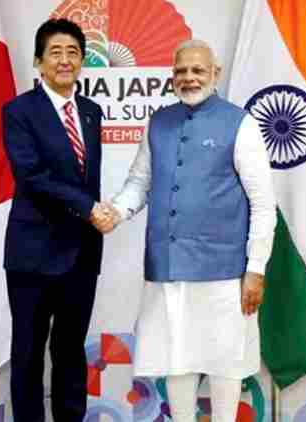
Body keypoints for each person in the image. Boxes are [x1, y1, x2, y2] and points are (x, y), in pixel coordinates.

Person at [98, 39, 276, 422]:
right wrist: (116, 211)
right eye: (181, 71)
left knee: (226, 361)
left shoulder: (240, 123)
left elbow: (263, 203)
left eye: (198, 70)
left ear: (215, 73)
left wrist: (256, 269)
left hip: (225, 270)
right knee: (175, 357)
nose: (189, 78)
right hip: (168, 267)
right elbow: (139, 182)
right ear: (172, 77)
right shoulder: (158, 122)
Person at [1, 18, 107, 421]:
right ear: (38, 61)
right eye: (55, 52)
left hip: (81, 254)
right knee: (28, 353)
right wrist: (89, 206)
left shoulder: (92, 112)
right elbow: (32, 176)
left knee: (70, 351)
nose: (65, 60)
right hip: (33, 253)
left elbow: (87, 178)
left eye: (73, 52)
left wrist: (97, 210)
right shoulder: (19, 110)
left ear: (82, 60)